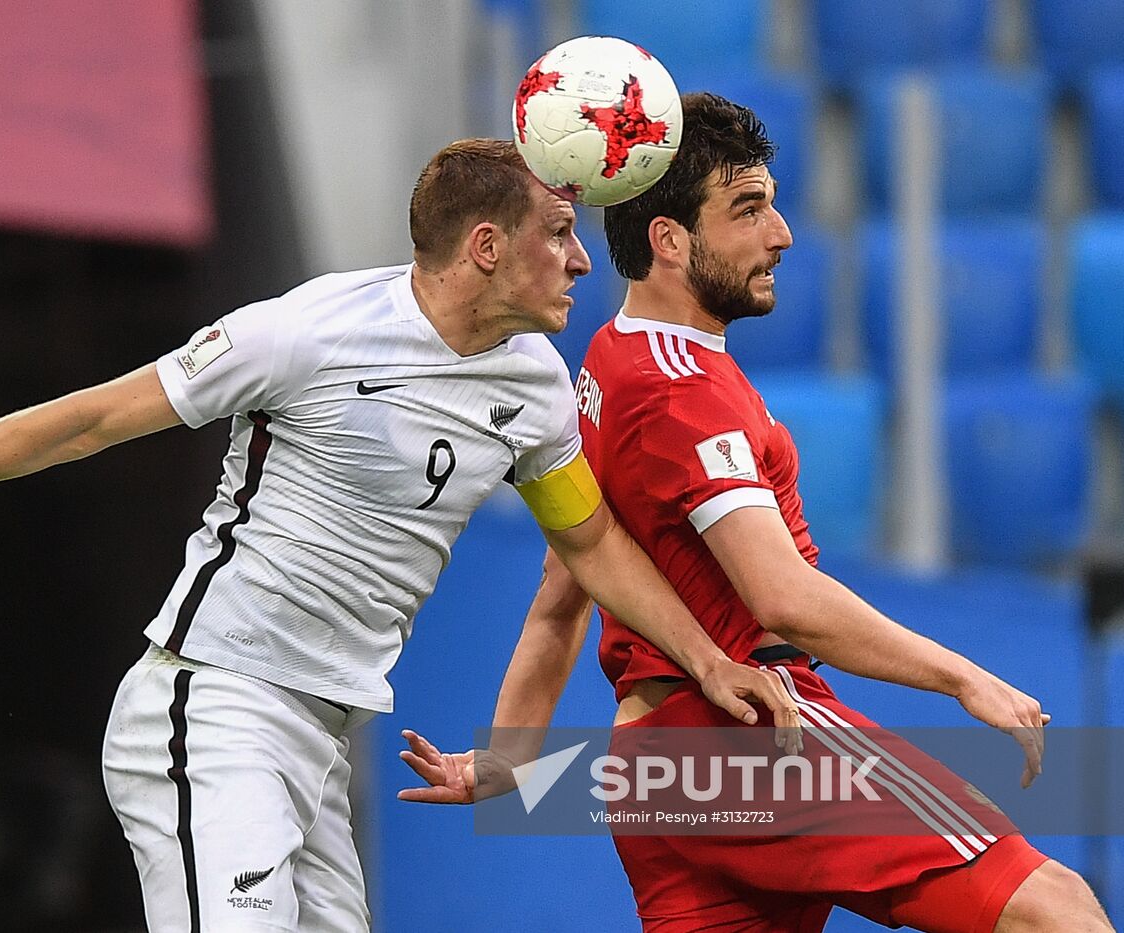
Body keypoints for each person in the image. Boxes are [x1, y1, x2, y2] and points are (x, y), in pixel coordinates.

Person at [0, 138, 803, 933]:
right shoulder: (301, 333)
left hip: (322, 732)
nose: (581, 263)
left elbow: (591, 545)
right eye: (559, 237)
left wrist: (707, 660)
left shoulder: (530, 385)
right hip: (214, 706)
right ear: (486, 247)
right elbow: (86, 420)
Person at [400, 99, 1115, 932]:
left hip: (658, 776)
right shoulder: (680, 391)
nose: (780, 234)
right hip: (748, 740)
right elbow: (782, 597)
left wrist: (511, 756)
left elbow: (564, 590)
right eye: (747, 209)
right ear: (668, 239)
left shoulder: (607, 364)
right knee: (1056, 908)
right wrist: (966, 676)